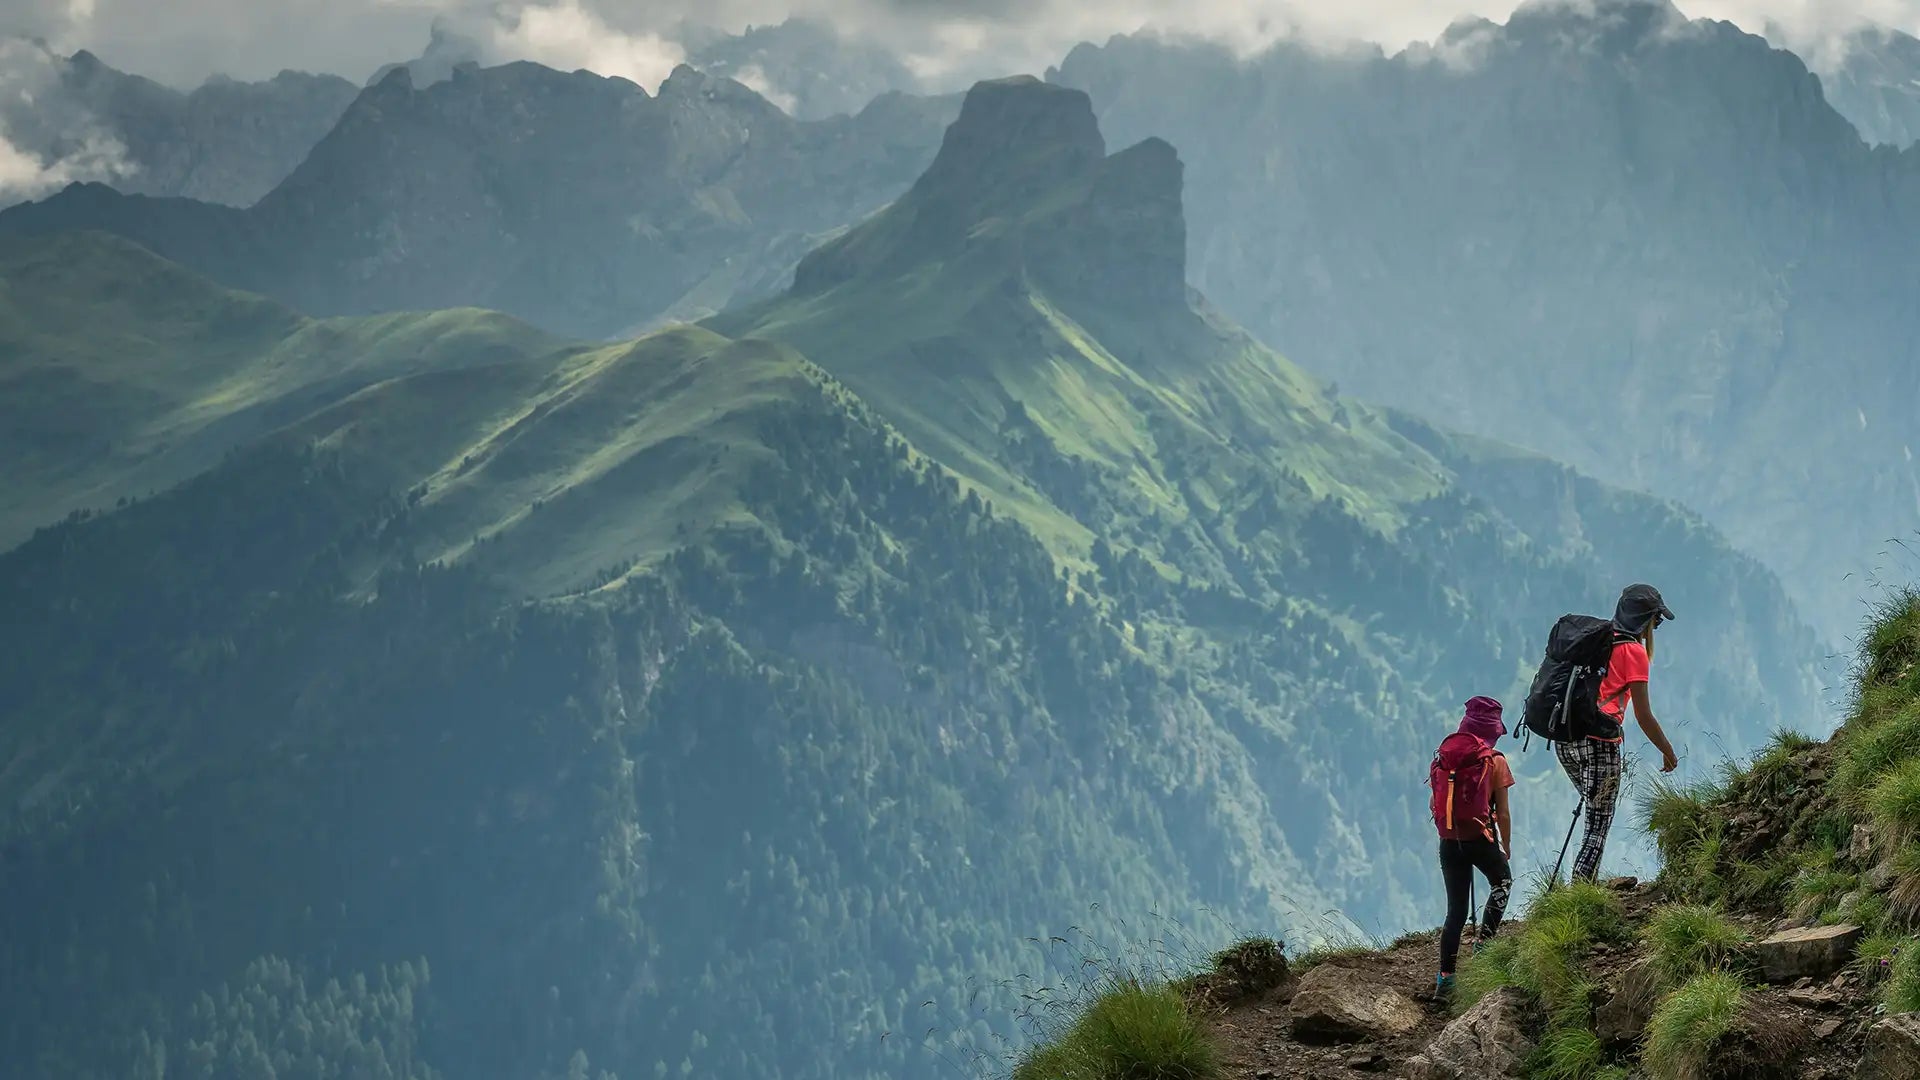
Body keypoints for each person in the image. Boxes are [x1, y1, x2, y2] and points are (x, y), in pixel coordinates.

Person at [1556, 583, 1680, 882]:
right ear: (1646, 621)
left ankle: (1581, 886)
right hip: (1599, 741)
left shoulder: (1595, 640)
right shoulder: (1632, 652)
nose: (1656, 627)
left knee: (1593, 809)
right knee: (1599, 819)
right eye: (1657, 621)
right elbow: (1643, 715)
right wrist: (1667, 750)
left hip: (1565, 740)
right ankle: (1581, 892)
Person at [1431, 695, 1514, 999]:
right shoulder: (1495, 761)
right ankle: (1484, 946)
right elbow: (1502, 812)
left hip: (1449, 841)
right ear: (1493, 730)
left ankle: (1445, 981)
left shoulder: (1445, 756)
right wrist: (1505, 845)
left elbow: (1434, 801)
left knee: (1456, 911)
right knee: (1502, 881)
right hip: (1479, 839)